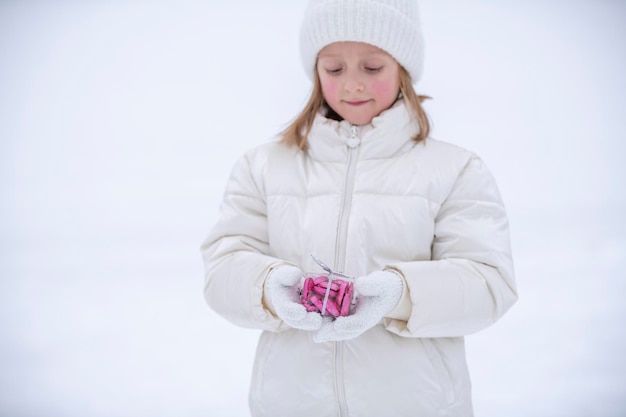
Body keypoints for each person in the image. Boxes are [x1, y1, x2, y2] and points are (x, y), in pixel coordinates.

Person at [201, 0, 518, 416]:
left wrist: (400, 294)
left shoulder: (455, 169)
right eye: (334, 68)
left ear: (402, 67)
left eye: (372, 68)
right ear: (315, 71)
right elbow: (222, 269)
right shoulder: (262, 167)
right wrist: (268, 287)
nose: (352, 84)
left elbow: (489, 285)